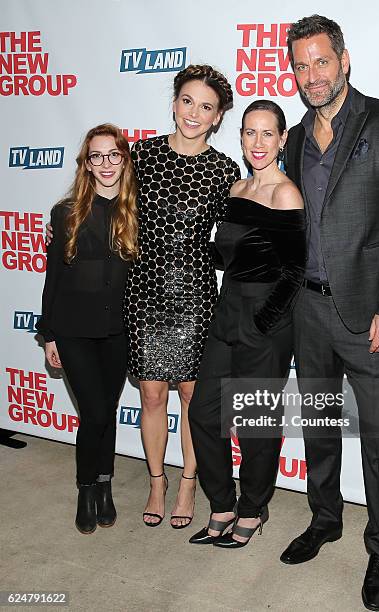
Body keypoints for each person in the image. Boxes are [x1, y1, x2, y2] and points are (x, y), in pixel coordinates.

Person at [279, 15, 379, 611]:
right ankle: (324, 519)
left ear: (344, 60)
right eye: (299, 65)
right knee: (319, 429)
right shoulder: (291, 138)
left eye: (320, 61)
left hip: (370, 318)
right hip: (307, 312)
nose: (310, 75)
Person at [123, 65, 241, 528]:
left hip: (193, 291)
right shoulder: (144, 155)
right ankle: (157, 481)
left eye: (206, 107)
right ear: (175, 104)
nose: (194, 113)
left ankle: (189, 482)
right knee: (152, 395)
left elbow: (233, 240)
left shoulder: (224, 169)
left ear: (216, 118)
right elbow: (114, 212)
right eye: (187, 101)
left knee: (193, 395)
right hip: (145, 287)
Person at [188, 100, 305, 548]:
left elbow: (294, 270)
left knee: (256, 422)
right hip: (227, 309)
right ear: (239, 137)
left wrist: (264, 322)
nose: (258, 143)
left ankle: (253, 508)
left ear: (282, 139)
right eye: (249, 133)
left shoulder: (285, 193)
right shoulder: (236, 190)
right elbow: (233, 255)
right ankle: (221, 503)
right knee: (203, 412)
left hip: (267, 317)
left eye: (267, 134)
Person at [36, 124, 138, 534]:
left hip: (119, 330)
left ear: (124, 159)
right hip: (75, 330)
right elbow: (54, 277)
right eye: (97, 156)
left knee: (106, 411)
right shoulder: (66, 212)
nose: (106, 164)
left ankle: (104, 484)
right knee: (93, 412)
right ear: (87, 164)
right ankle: (84, 488)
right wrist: (49, 334)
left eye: (114, 154)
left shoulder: (138, 211)